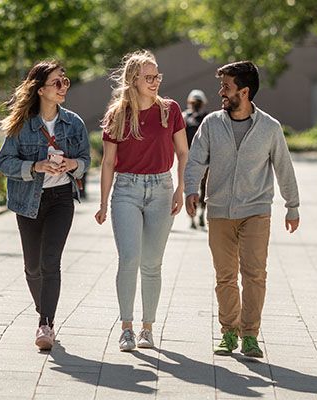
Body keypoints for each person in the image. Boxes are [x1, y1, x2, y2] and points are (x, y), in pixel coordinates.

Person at [184, 61, 300, 358]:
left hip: (256, 211)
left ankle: (250, 335)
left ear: (244, 91)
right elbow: (196, 159)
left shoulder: (269, 128)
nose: (221, 92)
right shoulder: (211, 123)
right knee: (225, 276)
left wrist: (292, 205)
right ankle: (228, 333)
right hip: (220, 211)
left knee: (254, 274)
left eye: (226, 87)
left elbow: (283, 167)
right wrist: (190, 189)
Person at [95, 50, 188, 352]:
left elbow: (184, 153)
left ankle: (148, 328)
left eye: (157, 76)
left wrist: (181, 188)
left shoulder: (170, 110)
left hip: (162, 189)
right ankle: (126, 328)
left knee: (152, 263)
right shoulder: (117, 114)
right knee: (129, 259)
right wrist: (103, 202)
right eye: (149, 77)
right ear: (133, 79)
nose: (155, 81)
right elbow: (108, 163)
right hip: (126, 191)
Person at [0, 60, 90, 351]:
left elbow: (86, 160)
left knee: (51, 262)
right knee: (32, 267)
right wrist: (35, 166)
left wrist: (73, 164)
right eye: (57, 83)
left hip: (61, 198)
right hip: (28, 201)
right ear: (40, 90)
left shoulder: (74, 123)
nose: (63, 87)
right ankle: (43, 312)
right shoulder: (22, 125)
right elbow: (3, 162)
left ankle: (45, 323)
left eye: (66, 81)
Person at [183, 89, 209, 229]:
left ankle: (201, 213)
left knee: (204, 187)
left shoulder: (207, 118)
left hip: (205, 158)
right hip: (188, 158)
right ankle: (192, 216)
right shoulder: (184, 117)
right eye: (194, 102)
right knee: (190, 186)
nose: (196, 105)